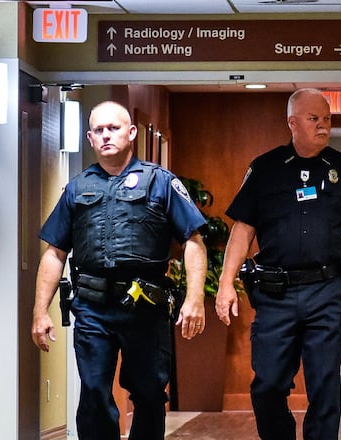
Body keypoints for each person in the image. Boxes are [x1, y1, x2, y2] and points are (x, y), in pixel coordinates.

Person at [31, 101, 208, 440]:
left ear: (131, 133)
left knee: (149, 394)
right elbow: (55, 252)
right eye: (99, 130)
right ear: (89, 138)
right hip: (93, 307)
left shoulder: (160, 182)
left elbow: (194, 241)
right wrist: (41, 311)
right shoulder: (77, 188)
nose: (106, 136)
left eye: (113, 128)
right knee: (94, 392)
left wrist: (195, 298)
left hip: (146, 307)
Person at [215, 88, 341, 440]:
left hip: (326, 292)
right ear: (292, 123)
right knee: (268, 385)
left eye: (327, 119)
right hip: (276, 295)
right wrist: (226, 283)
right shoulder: (265, 170)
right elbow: (243, 230)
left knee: (325, 385)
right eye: (314, 119)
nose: (323, 126)